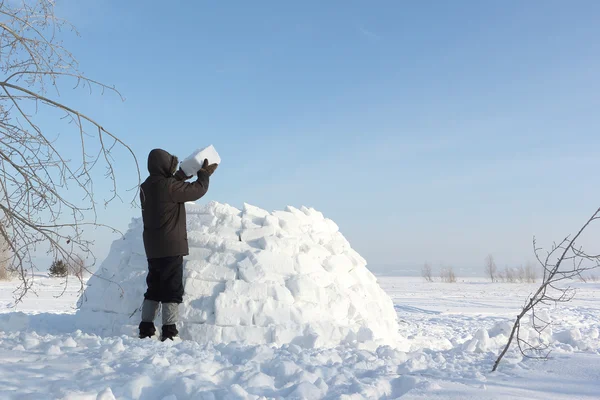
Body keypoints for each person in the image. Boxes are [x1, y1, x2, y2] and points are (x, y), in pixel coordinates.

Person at [138, 148, 217, 341]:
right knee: (172, 289)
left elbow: (169, 186)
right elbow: (198, 190)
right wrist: (203, 175)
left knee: (154, 287)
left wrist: (181, 176)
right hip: (171, 247)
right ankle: (169, 330)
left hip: (153, 248)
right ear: (164, 166)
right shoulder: (169, 187)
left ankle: (146, 328)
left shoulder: (145, 187)